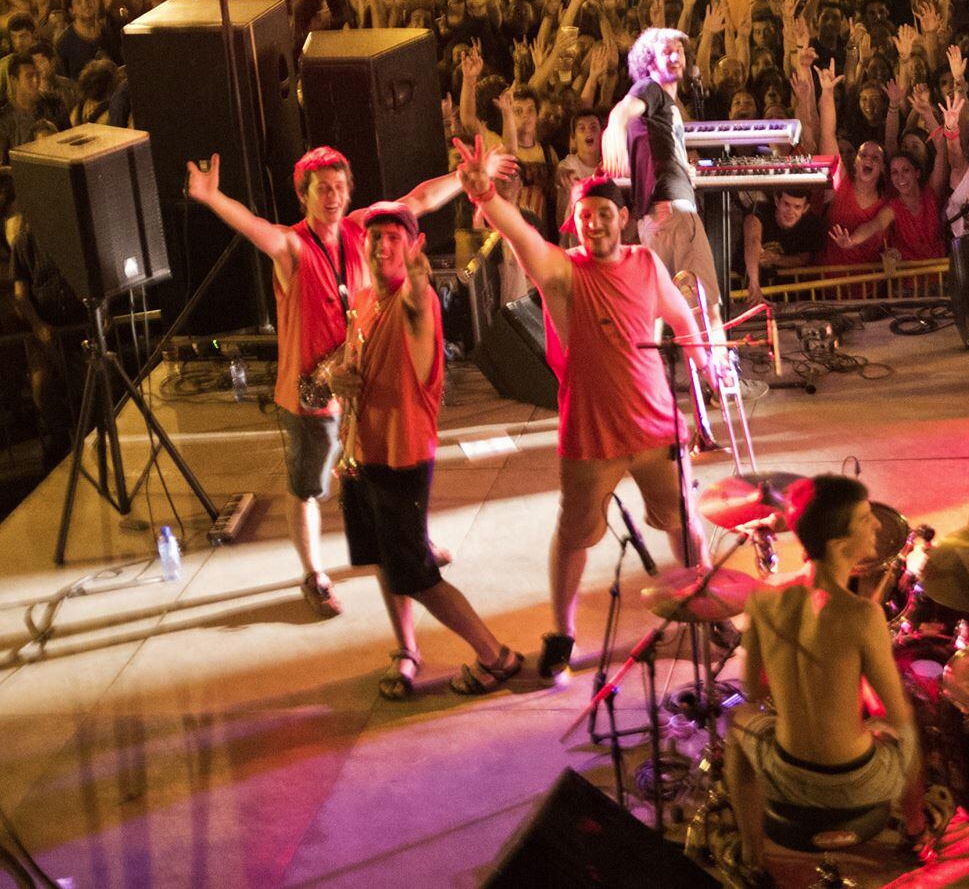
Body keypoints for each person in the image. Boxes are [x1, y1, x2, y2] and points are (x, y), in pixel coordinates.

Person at [185, 144, 491, 616]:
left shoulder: (362, 231)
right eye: (321, 189)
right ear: (303, 195)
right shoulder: (292, 247)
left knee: (384, 475)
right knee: (307, 485)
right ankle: (313, 573)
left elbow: (420, 200)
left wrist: (466, 175)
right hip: (311, 392)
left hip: (362, 387)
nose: (332, 196)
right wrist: (212, 198)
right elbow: (255, 229)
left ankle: (412, 542)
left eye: (339, 187)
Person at [454, 146, 714, 683]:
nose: (594, 222)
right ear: (574, 223)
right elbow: (521, 237)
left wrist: (702, 357)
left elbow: (680, 313)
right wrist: (483, 195)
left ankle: (705, 614)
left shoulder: (645, 264)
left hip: (654, 429)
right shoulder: (561, 272)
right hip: (591, 436)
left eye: (603, 213)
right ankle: (563, 632)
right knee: (573, 536)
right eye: (584, 215)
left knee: (685, 522)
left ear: (622, 218)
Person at [331, 201, 521, 698]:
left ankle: (494, 655)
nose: (383, 245)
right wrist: (336, 379)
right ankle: (407, 649)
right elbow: (351, 369)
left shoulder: (417, 302)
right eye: (375, 237)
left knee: (417, 573)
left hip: (401, 456)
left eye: (396, 237)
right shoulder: (367, 299)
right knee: (385, 560)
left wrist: (417, 280)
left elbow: (418, 304)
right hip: (362, 454)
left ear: (414, 247)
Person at [725, 473, 918, 885]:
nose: (879, 526)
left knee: (739, 724)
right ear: (837, 544)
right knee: (906, 724)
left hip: (785, 771)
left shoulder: (763, 598)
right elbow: (895, 712)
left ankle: (751, 855)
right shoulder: (863, 615)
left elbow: (753, 691)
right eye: (866, 519)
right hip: (859, 782)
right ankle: (918, 830)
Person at [603, 27, 722, 325]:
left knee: (666, 312)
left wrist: (683, 168)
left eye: (679, 50)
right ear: (648, 61)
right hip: (673, 212)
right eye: (666, 51)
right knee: (706, 308)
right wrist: (614, 128)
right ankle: (716, 373)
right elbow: (622, 111)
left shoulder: (666, 105)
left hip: (656, 218)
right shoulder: (649, 89)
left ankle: (651, 371)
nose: (675, 56)